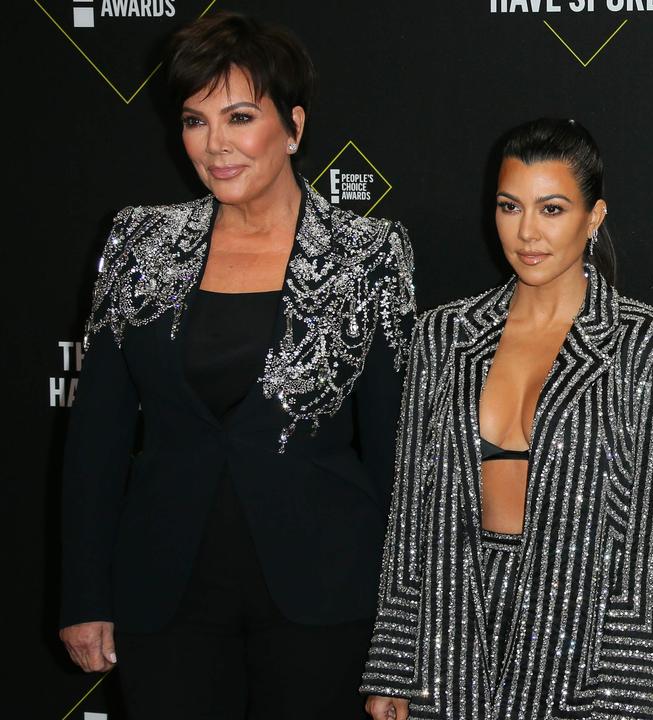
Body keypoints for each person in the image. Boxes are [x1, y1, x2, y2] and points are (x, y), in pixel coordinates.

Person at [57, 12, 417, 719]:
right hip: (165, 592)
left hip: (326, 593)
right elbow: (95, 439)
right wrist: (84, 594)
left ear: (293, 127)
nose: (215, 144)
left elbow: (397, 454)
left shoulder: (368, 252)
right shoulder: (140, 242)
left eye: (240, 116)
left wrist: (403, 631)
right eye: (195, 121)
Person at [362, 119, 653, 720]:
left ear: (594, 218)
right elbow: (410, 510)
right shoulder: (443, 335)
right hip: (447, 631)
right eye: (510, 207)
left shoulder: (644, 344)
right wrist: (394, 662)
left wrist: (628, 693)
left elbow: (648, 540)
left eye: (552, 209)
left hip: (579, 644)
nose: (528, 232)